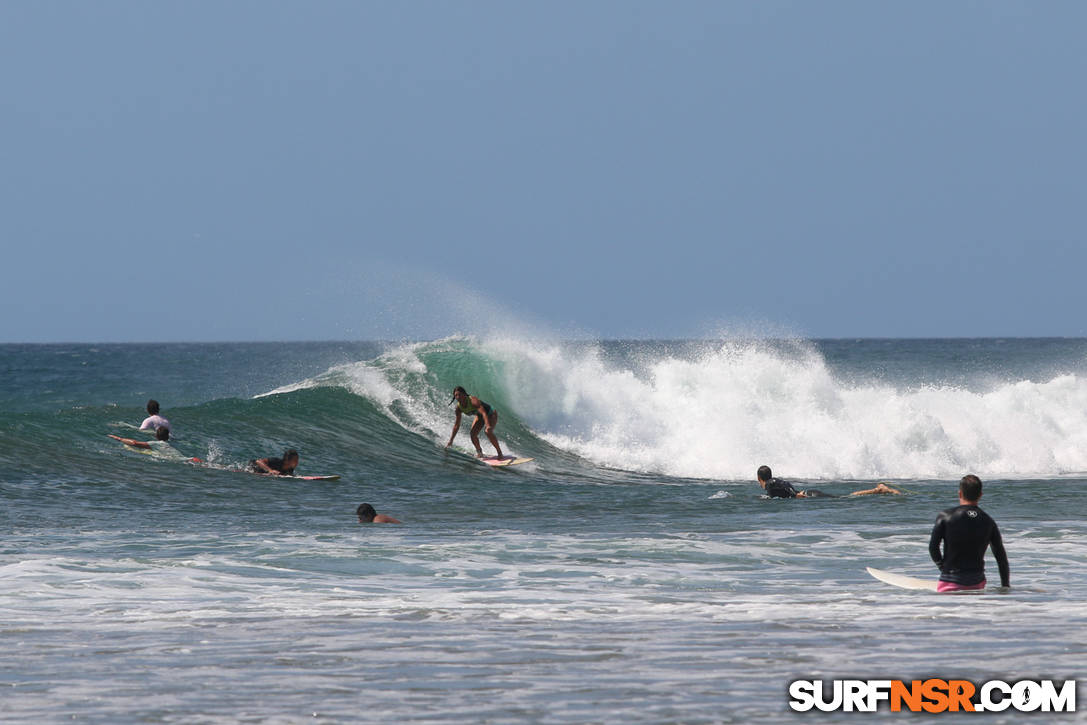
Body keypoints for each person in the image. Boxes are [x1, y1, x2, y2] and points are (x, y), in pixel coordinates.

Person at [928, 474, 1010, 593]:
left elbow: (933, 547)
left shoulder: (945, 517)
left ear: (960, 493)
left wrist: (943, 568)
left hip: (950, 583)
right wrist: (1005, 586)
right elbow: (1001, 557)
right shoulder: (988, 521)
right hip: (977, 583)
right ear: (980, 495)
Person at [756, 465, 901, 498]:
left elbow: (785, 488)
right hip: (809, 494)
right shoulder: (774, 481)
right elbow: (785, 485)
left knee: (845, 498)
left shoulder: (770, 483)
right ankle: (877, 490)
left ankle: (879, 490)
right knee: (845, 498)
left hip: (809, 495)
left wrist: (794, 495)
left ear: (759, 478)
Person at [446, 386, 504, 459]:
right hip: (479, 416)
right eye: (456, 395)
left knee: (487, 432)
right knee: (473, 434)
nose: (458, 397)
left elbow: (484, 413)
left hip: (490, 413)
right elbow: (456, 425)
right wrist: (451, 440)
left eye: (459, 394)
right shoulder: (458, 408)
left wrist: (488, 425)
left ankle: (500, 453)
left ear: (464, 394)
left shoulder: (473, 401)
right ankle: (480, 453)